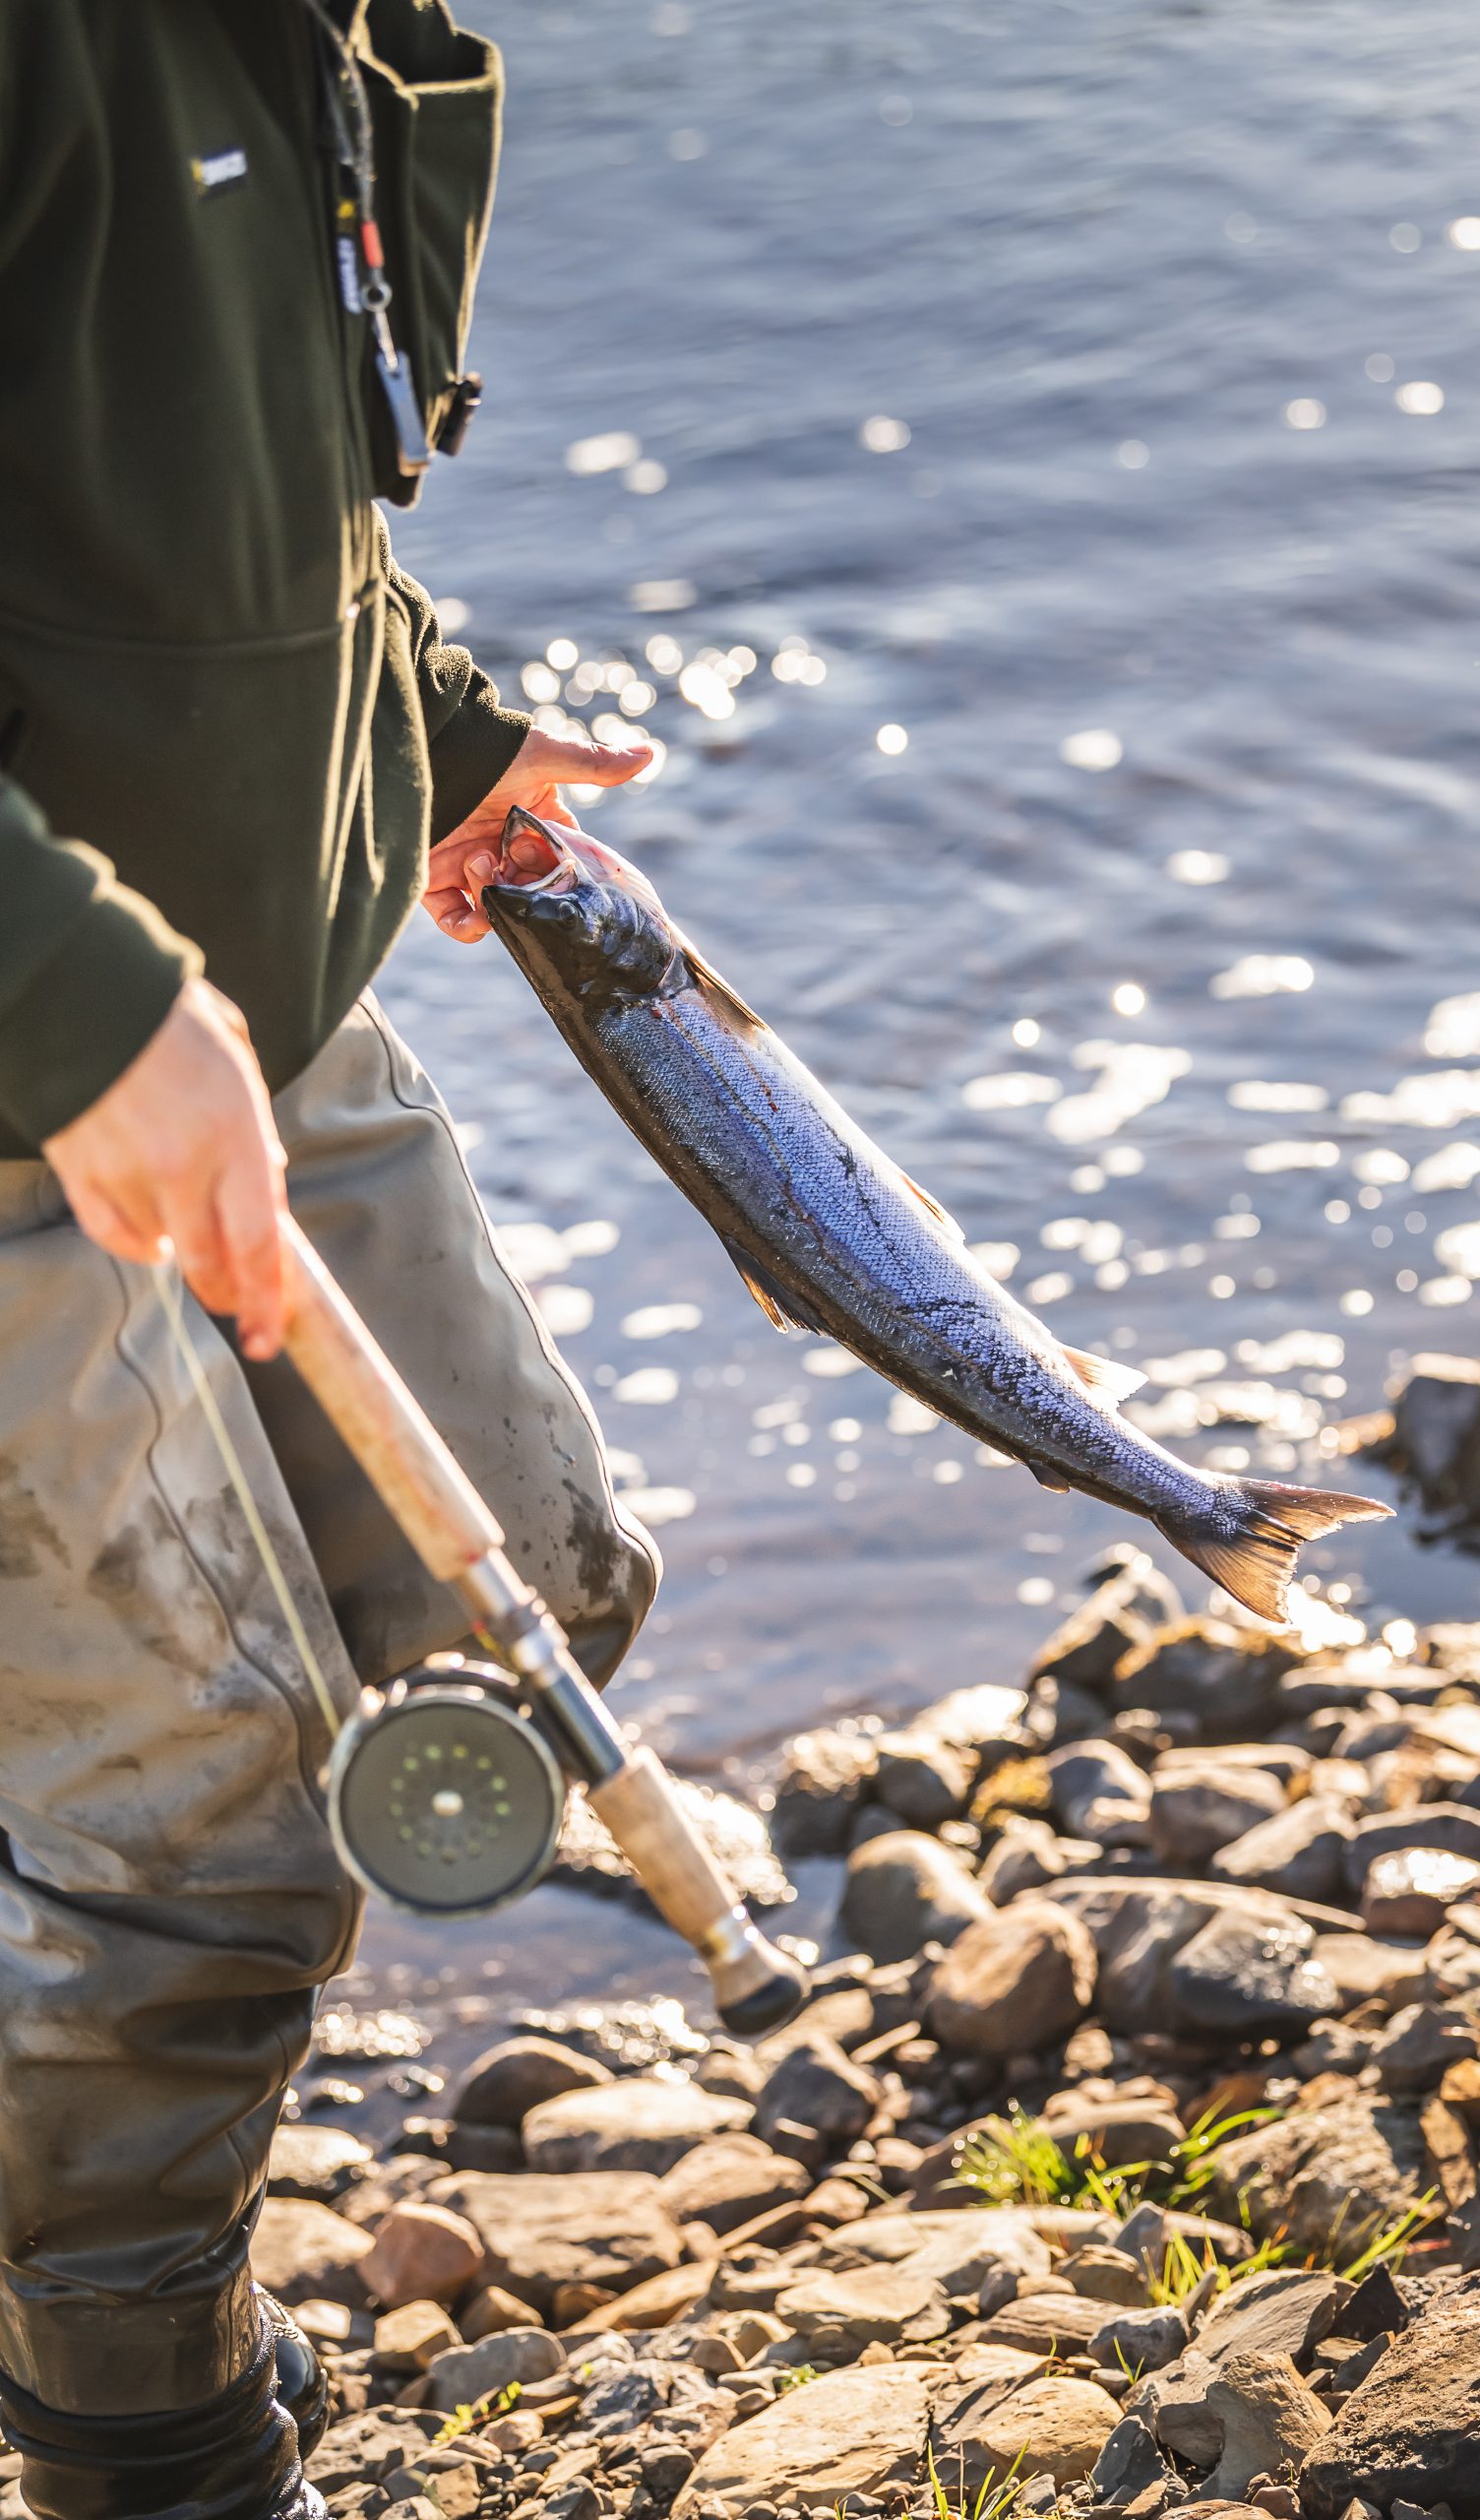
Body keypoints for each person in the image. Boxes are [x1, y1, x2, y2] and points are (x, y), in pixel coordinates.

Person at [0, 6, 658, 2513]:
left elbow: (245, 503)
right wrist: (68, 1005)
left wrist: (430, 720)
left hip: (242, 991)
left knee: (532, 1597)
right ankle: (132, 2419)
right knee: (207, 1841)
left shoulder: (344, 29)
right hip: (34, 1053)